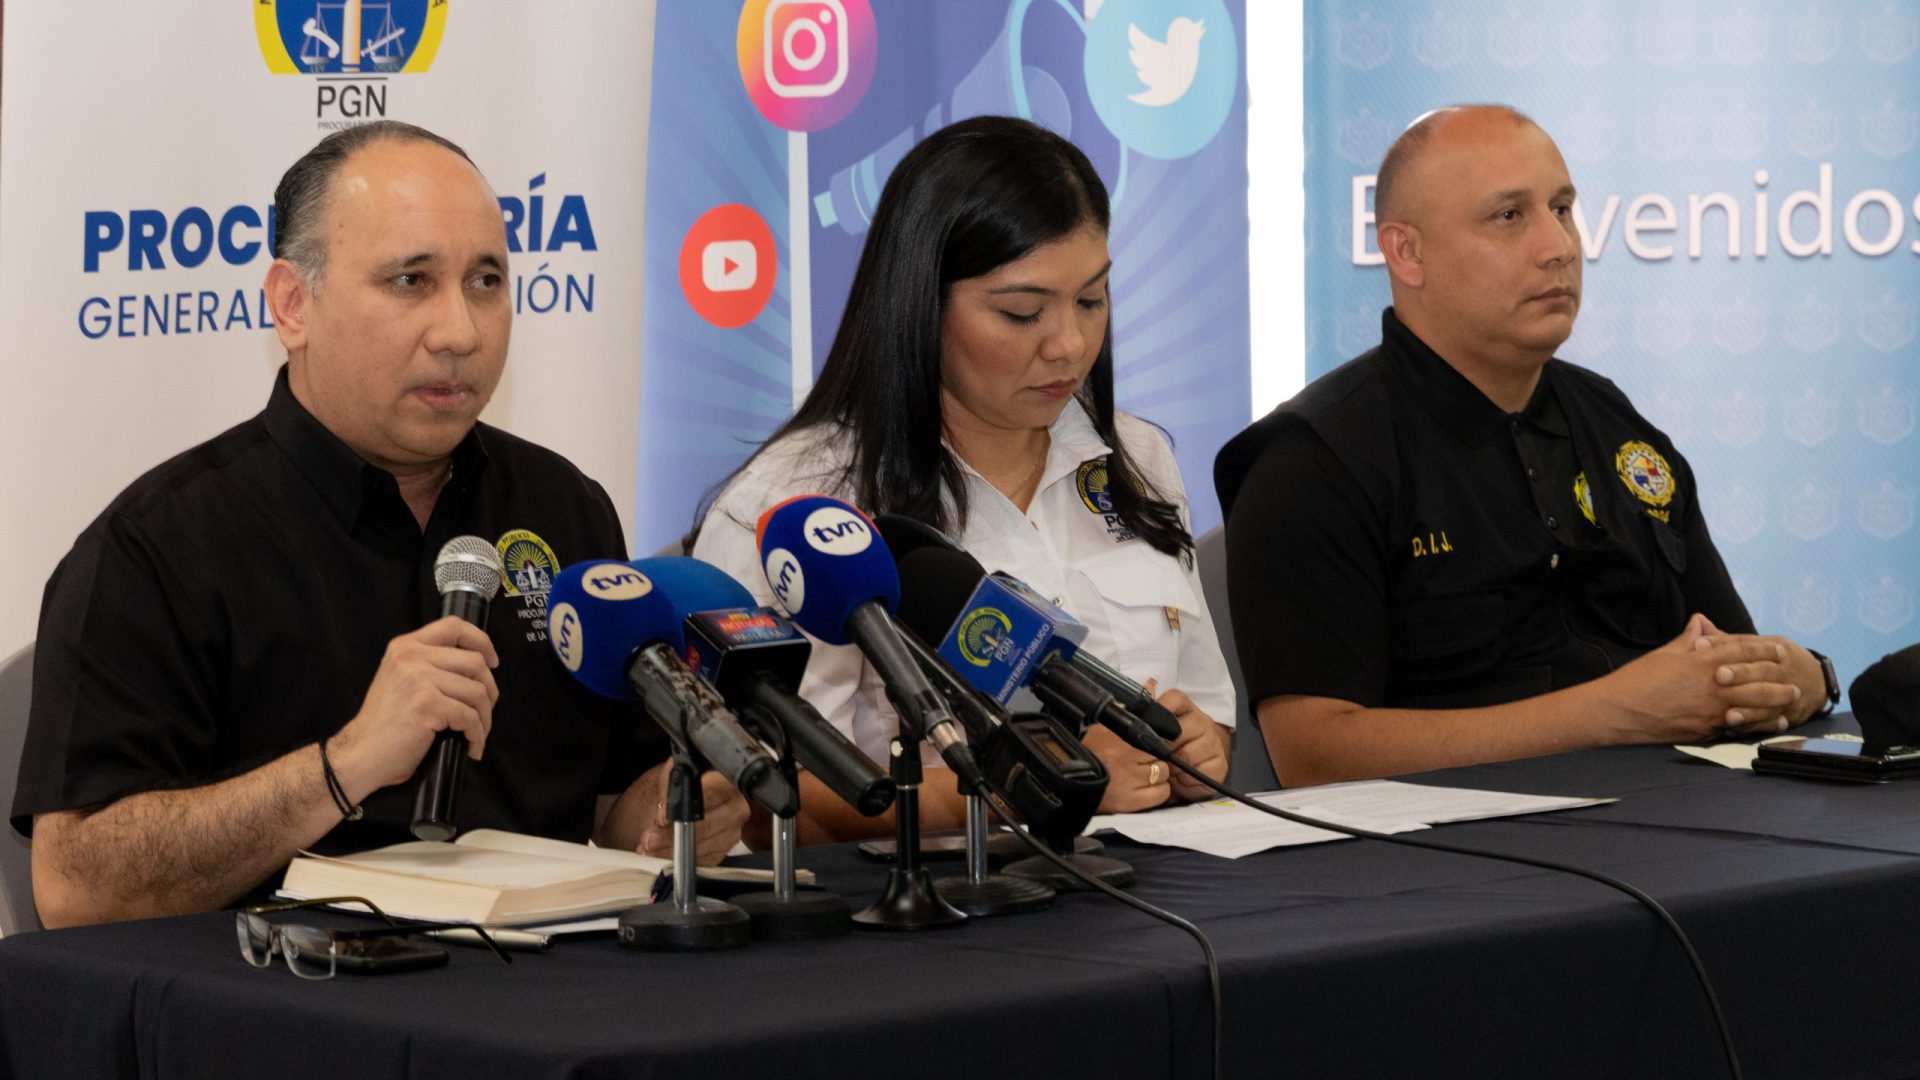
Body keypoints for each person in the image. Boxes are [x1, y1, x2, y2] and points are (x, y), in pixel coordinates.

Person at [13, 122, 746, 928]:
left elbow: (613, 806)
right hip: (282, 992)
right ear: (293, 304)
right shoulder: (157, 548)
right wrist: (343, 766)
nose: (460, 331)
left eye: (486, 281)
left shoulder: (564, 508)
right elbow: (77, 890)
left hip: (550, 987)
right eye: (410, 281)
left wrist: (675, 809)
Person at [1215, 104, 1839, 788]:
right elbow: (1313, 755)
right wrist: (1613, 712)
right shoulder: (1313, 461)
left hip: (1683, 811)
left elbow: (1729, 654)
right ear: (1407, 253)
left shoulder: (1616, 425)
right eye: (1509, 216)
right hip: (1452, 844)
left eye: (1562, 209)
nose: (1559, 245)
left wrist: (1807, 677)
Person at [692, 115, 1235, 843]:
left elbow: (1208, 710)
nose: (1070, 344)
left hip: (1153, 881)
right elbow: (755, 795)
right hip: (919, 904)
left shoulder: (1135, 457)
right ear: (921, 305)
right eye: (1021, 312)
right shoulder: (796, 505)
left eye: (1091, 300)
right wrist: (1026, 784)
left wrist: (1196, 750)